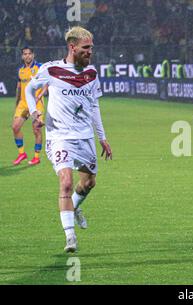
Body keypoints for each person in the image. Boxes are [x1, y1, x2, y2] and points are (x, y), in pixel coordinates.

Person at [25, 26, 113, 253]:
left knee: (89, 183)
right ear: (72, 47)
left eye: (91, 48)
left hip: (85, 137)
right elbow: (29, 89)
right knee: (65, 181)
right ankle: (70, 237)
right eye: (86, 48)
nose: (90, 52)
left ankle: (73, 207)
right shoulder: (51, 69)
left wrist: (102, 137)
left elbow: (94, 106)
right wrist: (35, 112)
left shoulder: (91, 73)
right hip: (59, 136)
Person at [12, 47, 48, 166]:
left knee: (36, 129)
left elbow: (47, 82)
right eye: (25, 54)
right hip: (23, 103)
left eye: (29, 54)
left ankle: (36, 157)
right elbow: (19, 87)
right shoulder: (20, 70)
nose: (27, 56)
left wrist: (42, 94)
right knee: (15, 127)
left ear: (33, 55)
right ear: (22, 56)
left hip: (36, 103)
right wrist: (17, 103)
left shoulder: (39, 67)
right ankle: (22, 153)